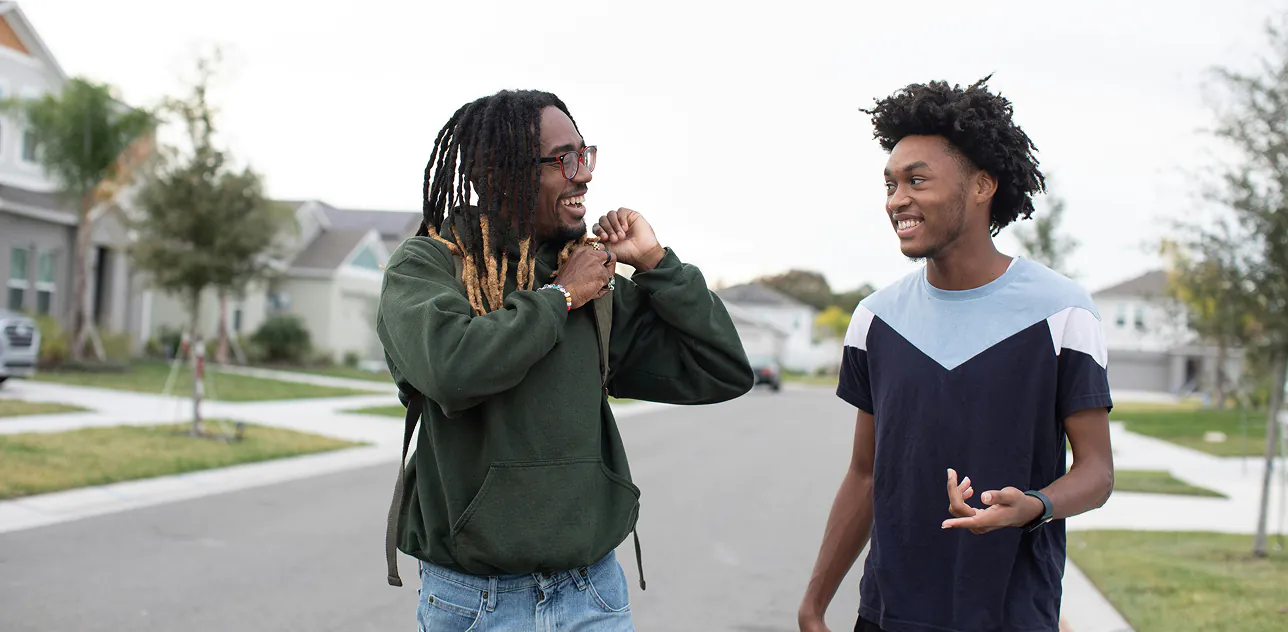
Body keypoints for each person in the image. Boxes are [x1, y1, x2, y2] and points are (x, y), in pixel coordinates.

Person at [378, 89, 754, 631]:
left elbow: (721, 369)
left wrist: (656, 264)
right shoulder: (428, 265)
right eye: (565, 160)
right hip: (473, 599)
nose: (585, 176)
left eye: (587, 155)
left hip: (590, 592)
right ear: (499, 173)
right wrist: (560, 299)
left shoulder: (592, 280)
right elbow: (451, 369)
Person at [798, 77, 1115, 632]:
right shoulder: (876, 319)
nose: (898, 199)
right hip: (888, 615)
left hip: (1011, 614)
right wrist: (815, 602)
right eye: (891, 184)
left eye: (917, 181)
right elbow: (864, 474)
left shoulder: (1063, 313)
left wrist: (1035, 504)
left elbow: (1096, 472)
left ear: (982, 185)